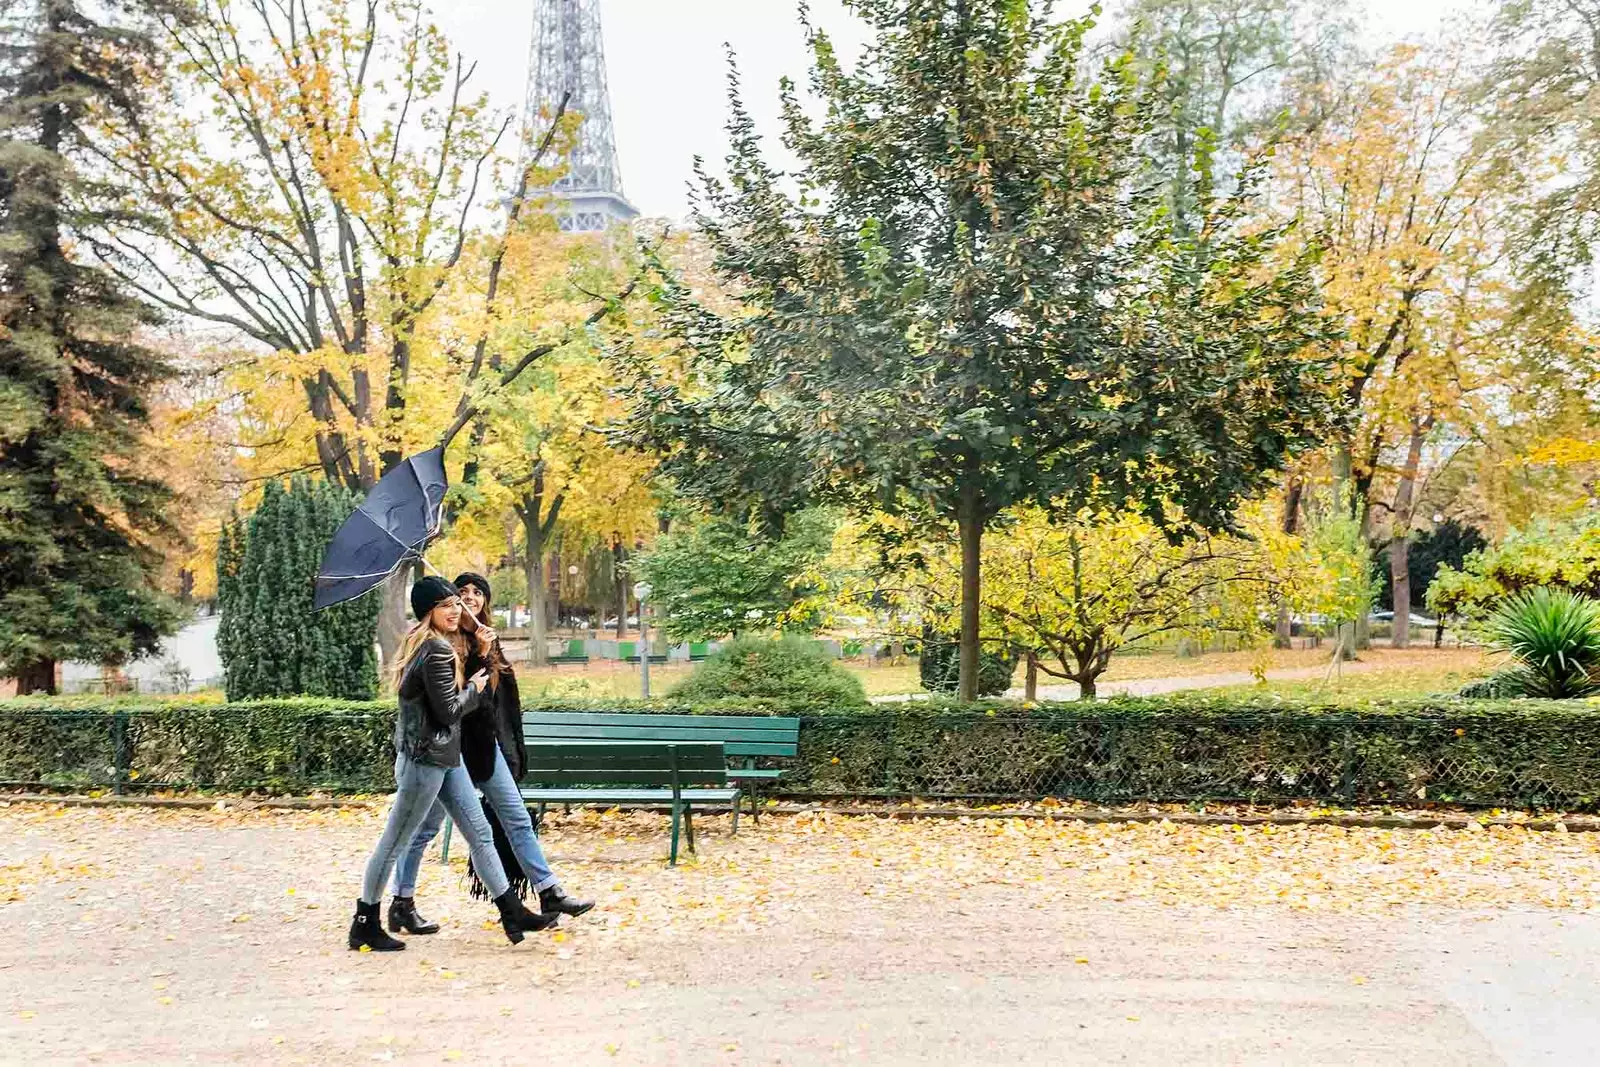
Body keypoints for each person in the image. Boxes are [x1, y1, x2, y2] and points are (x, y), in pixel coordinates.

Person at [347, 576, 555, 951]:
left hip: (446, 757)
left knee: (480, 832)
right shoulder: (435, 650)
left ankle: (511, 909)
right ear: (429, 611)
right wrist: (474, 689)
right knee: (394, 841)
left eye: (456, 604)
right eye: (446, 605)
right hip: (425, 762)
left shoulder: (428, 646)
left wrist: (479, 652)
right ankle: (365, 921)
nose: (456, 610)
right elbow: (447, 712)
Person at [386, 571, 594, 936]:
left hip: (482, 745)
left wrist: (487, 651)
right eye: (460, 593)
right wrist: (480, 656)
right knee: (424, 829)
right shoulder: (437, 641)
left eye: (476, 593)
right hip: (447, 749)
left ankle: (549, 890)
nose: (469, 599)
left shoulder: (484, 636)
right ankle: (402, 902)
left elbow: (498, 702)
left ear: (485, 600)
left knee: (515, 816)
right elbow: (454, 700)